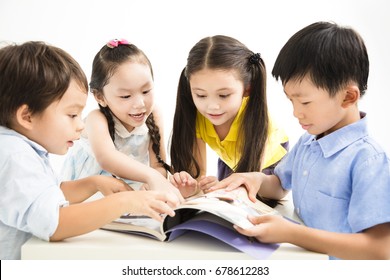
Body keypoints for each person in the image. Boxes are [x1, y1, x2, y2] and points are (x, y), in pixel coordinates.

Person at [214, 22, 390, 259]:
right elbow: (279, 184)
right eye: (291, 101)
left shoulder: (368, 160)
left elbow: (381, 249)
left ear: (348, 96)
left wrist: (292, 234)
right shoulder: (309, 141)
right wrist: (254, 179)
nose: (296, 112)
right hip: (300, 262)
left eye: (305, 102)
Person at [0, 41, 179, 260]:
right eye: (72, 115)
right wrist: (125, 202)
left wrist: (93, 183)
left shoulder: (17, 149)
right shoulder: (15, 156)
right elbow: (54, 223)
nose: (80, 125)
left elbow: (44, 197)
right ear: (27, 117)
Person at [169, 35, 289, 203]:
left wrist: (224, 186)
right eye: (201, 95)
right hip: (231, 159)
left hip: (268, 163)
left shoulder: (259, 121)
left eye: (223, 95)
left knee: (249, 195)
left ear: (247, 89)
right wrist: (197, 185)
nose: (212, 106)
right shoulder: (196, 116)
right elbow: (196, 174)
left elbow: (264, 185)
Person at [61, 39, 182, 199]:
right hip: (91, 192)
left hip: (133, 189)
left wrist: (154, 181)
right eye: (125, 96)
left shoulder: (154, 114)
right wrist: (151, 176)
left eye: (146, 91)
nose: (140, 104)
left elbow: (158, 164)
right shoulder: (96, 119)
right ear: (100, 96)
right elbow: (108, 159)